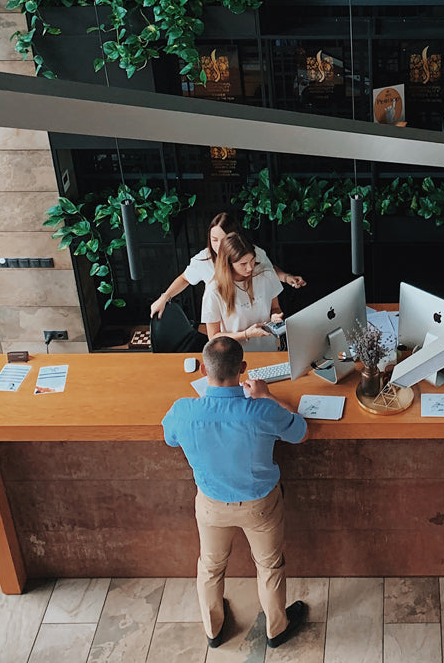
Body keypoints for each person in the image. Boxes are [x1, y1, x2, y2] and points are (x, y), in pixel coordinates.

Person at [161, 335, 309, 650]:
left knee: (210, 566)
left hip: (212, 504)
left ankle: (214, 631)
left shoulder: (184, 410)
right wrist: (267, 396)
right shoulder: (261, 411)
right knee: (269, 565)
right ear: (243, 368)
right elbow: (299, 431)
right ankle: (276, 629)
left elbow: (171, 439)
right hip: (259, 505)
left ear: (203, 369)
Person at [150, 211, 305, 318]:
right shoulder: (204, 260)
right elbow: (185, 278)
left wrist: (285, 277)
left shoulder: (252, 253)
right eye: (214, 239)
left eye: (223, 240)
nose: (218, 246)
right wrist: (165, 297)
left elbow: (267, 269)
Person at [201, 232, 282, 350]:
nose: (250, 267)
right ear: (228, 264)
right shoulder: (214, 291)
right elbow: (213, 337)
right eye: (243, 264)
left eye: (252, 260)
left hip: (269, 349)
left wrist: (275, 317)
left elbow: (275, 308)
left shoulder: (266, 275)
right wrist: (246, 334)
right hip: (235, 355)